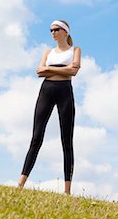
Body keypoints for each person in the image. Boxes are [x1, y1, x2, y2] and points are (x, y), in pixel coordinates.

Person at [17, 19, 81, 195]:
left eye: (56, 29)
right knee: (36, 137)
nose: (53, 32)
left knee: (66, 140)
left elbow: (74, 71)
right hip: (46, 90)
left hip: (65, 92)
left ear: (65, 31)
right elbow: (39, 71)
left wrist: (50, 69)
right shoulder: (48, 52)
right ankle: (20, 185)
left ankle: (67, 192)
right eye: (51, 30)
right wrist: (63, 68)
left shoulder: (75, 50)